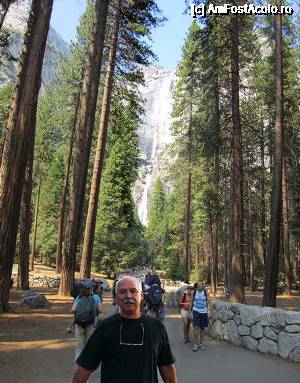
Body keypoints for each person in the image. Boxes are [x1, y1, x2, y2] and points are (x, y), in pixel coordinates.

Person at [72, 276, 177, 383]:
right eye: (122, 291)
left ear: (141, 296)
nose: (128, 295)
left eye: (133, 291)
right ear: (116, 297)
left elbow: (167, 366)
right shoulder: (105, 327)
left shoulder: (156, 327)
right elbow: (84, 367)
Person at [71, 283, 103, 360]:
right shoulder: (96, 297)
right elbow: (100, 310)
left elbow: (73, 310)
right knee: (89, 343)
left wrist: (79, 314)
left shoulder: (79, 297)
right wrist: (94, 313)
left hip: (79, 323)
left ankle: (78, 362)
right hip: (91, 322)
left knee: (79, 345)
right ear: (91, 289)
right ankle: (87, 361)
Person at [191, 282, 211, 352]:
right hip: (196, 310)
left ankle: (201, 343)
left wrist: (210, 311)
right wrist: (189, 312)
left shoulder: (206, 292)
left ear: (203, 286)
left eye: (201, 284)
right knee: (196, 327)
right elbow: (191, 302)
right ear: (197, 286)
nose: (200, 286)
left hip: (204, 311)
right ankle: (195, 344)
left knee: (202, 328)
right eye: (198, 284)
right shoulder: (194, 292)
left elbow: (209, 301)